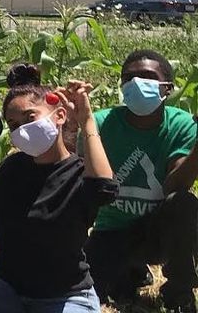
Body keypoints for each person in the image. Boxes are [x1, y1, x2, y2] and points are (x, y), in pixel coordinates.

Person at [0, 64, 117, 312]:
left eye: (30, 118)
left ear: (59, 116)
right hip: (9, 294)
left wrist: (87, 121)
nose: (23, 129)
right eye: (14, 125)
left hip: (64, 298)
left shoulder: (79, 172)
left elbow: (104, 187)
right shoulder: (11, 168)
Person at [83, 50, 198, 311]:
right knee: (94, 290)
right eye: (129, 78)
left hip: (158, 230)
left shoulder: (182, 125)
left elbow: (174, 187)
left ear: (167, 88)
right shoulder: (100, 123)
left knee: (183, 203)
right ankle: (132, 273)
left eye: (147, 77)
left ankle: (179, 293)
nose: (136, 83)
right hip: (111, 231)